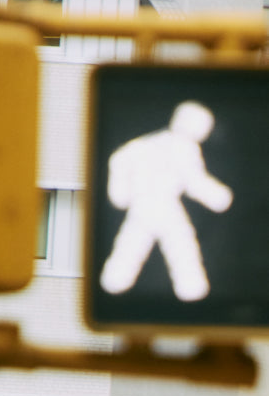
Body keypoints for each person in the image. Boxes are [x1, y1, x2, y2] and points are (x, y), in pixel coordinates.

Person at [100, 100, 233, 302]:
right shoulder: (183, 146)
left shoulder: (149, 142)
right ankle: (191, 289)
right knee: (179, 244)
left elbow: (118, 159)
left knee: (135, 243)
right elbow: (194, 182)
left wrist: (120, 194)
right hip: (160, 205)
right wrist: (219, 197)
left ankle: (115, 282)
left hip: (147, 205)